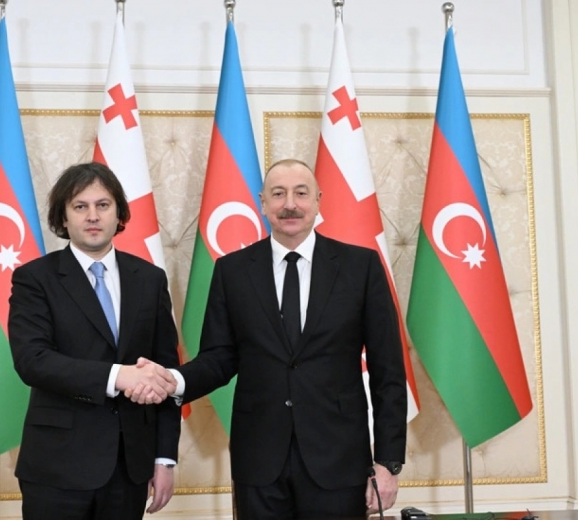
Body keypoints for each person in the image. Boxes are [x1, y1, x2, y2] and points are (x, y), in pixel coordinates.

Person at [130, 158, 407, 519]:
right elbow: (219, 357)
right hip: (259, 461)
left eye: (301, 193)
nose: (290, 204)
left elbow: (388, 371)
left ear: (318, 200)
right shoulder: (232, 270)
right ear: (262, 203)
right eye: (278, 194)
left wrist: (387, 463)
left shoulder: (361, 267)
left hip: (339, 460)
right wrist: (173, 380)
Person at [8, 161, 181, 520]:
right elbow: (32, 361)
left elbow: (166, 372)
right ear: (63, 217)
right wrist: (118, 376)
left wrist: (164, 458)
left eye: (103, 205)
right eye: (80, 206)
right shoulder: (35, 279)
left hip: (129, 467)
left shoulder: (150, 279)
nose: (92, 216)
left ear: (119, 213)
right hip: (57, 466)